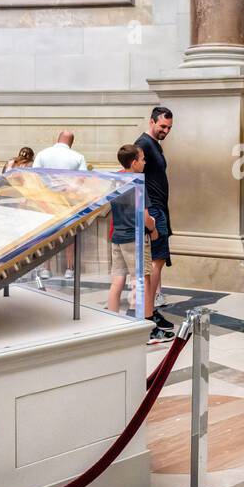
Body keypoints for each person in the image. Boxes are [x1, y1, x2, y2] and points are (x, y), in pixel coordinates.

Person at [106, 144, 172, 344]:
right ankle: (145, 329)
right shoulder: (137, 183)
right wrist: (153, 229)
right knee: (143, 281)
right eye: (142, 159)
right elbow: (145, 216)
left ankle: (112, 323)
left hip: (117, 237)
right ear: (133, 162)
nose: (144, 162)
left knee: (117, 280)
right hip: (135, 239)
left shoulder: (114, 180)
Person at [135, 106, 175, 329]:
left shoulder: (154, 145)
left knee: (157, 263)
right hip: (154, 211)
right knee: (155, 264)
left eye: (169, 127)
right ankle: (148, 315)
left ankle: (150, 311)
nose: (166, 131)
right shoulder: (143, 145)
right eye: (162, 126)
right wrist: (148, 213)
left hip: (159, 210)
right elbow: (136, 180)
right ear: (151, 122)